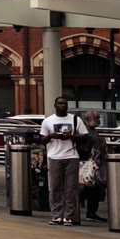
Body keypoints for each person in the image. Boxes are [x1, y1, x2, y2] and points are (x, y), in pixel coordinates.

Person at [39, 93, 83, 226]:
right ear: (55, 105)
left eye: (65, 103)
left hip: (71, 156)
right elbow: (42, 139)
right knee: (55, 187)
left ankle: (68, 216)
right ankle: (56, 215)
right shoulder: (48, 121)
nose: (63, 105)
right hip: (54, 156)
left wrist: (71, 136)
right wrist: (51, 136)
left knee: (71, 188)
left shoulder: (75, 119)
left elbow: (84, 136)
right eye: (60, 103)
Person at [79, 109, 109, 224]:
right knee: (92, 187)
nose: (98, 120)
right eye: (96, 118)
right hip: (90, 164)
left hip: (94, 163)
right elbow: (84, 148)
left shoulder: (92, 131)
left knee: (93, 188)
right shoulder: (86, 132)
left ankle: (90, 211)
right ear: (89, 119)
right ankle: (90, 211)